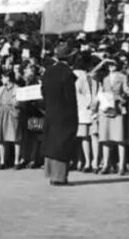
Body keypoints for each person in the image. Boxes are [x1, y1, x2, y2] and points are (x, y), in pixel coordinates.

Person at [40, 44, 78, 186]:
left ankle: (51, 175)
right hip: (65, 114)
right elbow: (70, 97)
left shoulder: (48, 71)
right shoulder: (67, 73)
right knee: (63, 144)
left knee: (52, 143)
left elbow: (43, 91)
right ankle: (60, 176)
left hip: (51, 112)